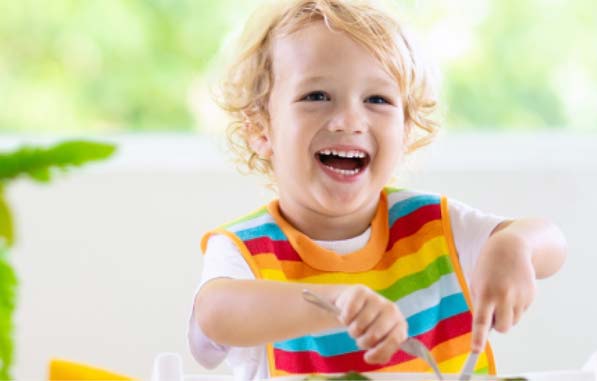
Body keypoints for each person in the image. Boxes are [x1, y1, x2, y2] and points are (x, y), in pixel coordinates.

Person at [189, 0, 568, 380]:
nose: (350, 120)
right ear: (260, 129)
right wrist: (333, 301)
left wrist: (514, 245)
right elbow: (216, 314)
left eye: (377, 100)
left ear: (405, 130)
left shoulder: (436, 228)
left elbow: (551, 244)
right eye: (316, 96)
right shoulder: (246, 250)